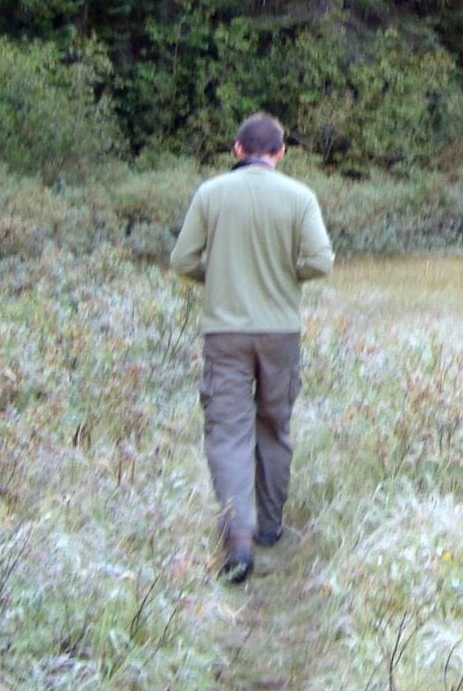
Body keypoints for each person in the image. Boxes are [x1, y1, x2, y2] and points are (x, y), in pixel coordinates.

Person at [169, 112, 335, 584]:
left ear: (237, 150)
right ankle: (269, 525)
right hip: (281, 332)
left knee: (227, 431)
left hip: (224, 333)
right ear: (281, 154)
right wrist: (286, 275)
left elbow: (182, 259)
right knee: (274, 426)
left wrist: (218, 276)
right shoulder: (300, 197)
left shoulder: (211, 193)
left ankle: (237, 538)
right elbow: (320, 262)